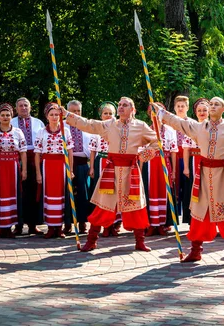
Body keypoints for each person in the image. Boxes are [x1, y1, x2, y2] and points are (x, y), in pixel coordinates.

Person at [155, 97, 224, 265]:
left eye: (217, 104)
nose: (212, 106)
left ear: (223, 109)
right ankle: (195, 251)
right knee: (199, 213)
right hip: (203, 177)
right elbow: (179, 123)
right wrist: (161, 113)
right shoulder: (199, 127)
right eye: (211, 104)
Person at [62, 97, 159, 252]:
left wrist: (146, 153)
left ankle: (139, 242)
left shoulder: (140, 126)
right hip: (111, 171)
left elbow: (157, 140)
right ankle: (92, 240)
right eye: (119, 105)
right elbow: (89, 124)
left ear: (132, 110)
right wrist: (68, 115)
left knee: (135, 207)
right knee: (103, 205)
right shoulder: (110, 124)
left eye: (125, 105)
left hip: (131, 171)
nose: (121, 107)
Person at [0, 103, 27, 238]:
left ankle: (10, 227)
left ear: (11, 116)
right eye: (3, 115)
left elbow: (23, 152)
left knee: (13, 195)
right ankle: (1, 227)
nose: (5, 117)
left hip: (13, 167)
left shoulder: (18, 132)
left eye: (8, 115)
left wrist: (24, 170)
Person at [34, 103, 74, 239]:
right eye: (51, 114)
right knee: (49, 195)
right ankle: (51, 227)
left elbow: (70, 151)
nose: (54, 117)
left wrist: (71, 170)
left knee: (61, 195)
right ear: (47, 116)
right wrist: (38, 173)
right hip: (48, 165)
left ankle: (60, 227)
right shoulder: (41, 132)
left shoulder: (65, 131)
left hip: (62, 165)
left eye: (57, 114)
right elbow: (37, 153)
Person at [10, 97, 45, 235]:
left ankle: (33, 225)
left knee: (34, 192)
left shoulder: (38, 123)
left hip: (34, 159)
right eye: (20, 106)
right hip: (17, 159)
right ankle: (18, 225)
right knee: (19, 192)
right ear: (16, 108)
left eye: (26, 105)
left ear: (30, 107)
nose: (23, 108)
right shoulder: (11, 122)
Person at [143, 103, 178, 236]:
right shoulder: (146, 129)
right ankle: (151, 224)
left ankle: (162, 224)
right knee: (151, 192)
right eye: (152, 112)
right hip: (150, 165)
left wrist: (174, 171)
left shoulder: (169, 130)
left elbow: (173, 151)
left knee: (164, 192)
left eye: (157, 112)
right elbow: (142, 152)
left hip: (164, 164)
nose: (154, 115)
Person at [88, 101, 121, 237]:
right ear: (101, 115)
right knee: (102, 195)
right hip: (101, 162)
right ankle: (102, 224)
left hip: (115, 163)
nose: (108, 116)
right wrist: (91, 168)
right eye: (105, 113)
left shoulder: (120, 129)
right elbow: (92, 151)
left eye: (111, 113)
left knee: (115, 194)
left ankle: (113, 224)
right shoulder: (96, 131)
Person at [63, 100, 92, 234]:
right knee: (68, 194)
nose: (76, 114)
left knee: (83, 194)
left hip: (82, 163)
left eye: (78, 111)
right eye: (72, 111)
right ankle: (68, 223)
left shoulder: (87, 125)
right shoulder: (62, 125)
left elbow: (93, 147)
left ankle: (82, 223)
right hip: (67, 162)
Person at [181, 98, 210, 224]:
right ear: (195, 112)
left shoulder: (214, 127)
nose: (202, 112)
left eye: (204, 110)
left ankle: (210, 219)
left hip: (209, 161)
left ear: (209, 112)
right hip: (195, 162)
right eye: (199, 110)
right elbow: (186, 149)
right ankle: (194, 219)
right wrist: (186, 167)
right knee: (194, 189)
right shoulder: (191, 127)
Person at [173, 96, 190, 220]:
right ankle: (174, 215)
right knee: (175, 185)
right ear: (174, 108)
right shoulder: (170, 123)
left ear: (187, 108)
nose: (180, 108)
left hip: (187, 155)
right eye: (178, 106)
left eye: (182, 106)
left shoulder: (191, 123)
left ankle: (187, 215)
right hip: (173, 156)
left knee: (187, 184)